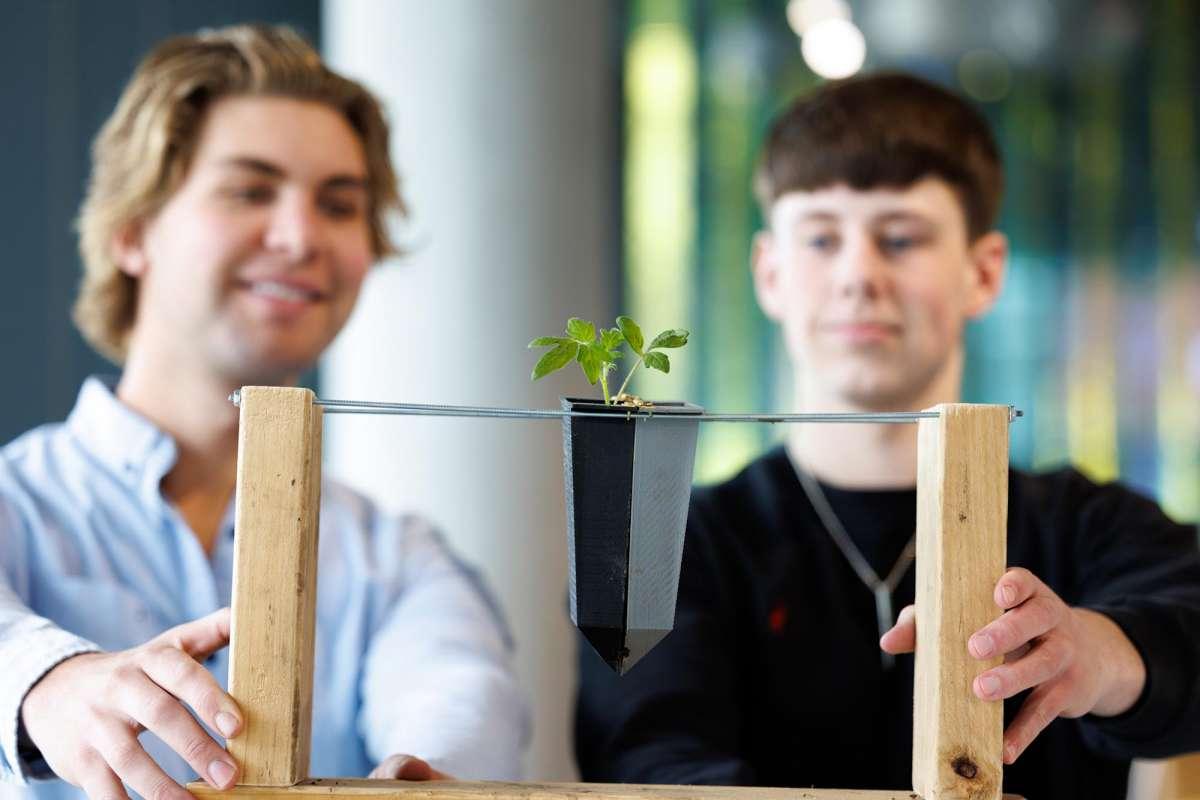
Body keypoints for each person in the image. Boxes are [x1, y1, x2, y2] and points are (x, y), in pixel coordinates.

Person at [575, 72, 1200, 799]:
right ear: (769, 274)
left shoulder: (1088, 526)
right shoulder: (676, 545)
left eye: (900, 237)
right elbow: (649, 757)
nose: (858, 275)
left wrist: (1096, 652)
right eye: (819, 238)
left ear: (984, 271)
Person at [0, 24, 529, 800]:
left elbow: (461, 685)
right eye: (250, 190)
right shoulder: (17, 500)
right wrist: (49, 678)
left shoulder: (398, 558)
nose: (300, 236)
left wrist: (425, 775)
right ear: (132, 231)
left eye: (340, 204)